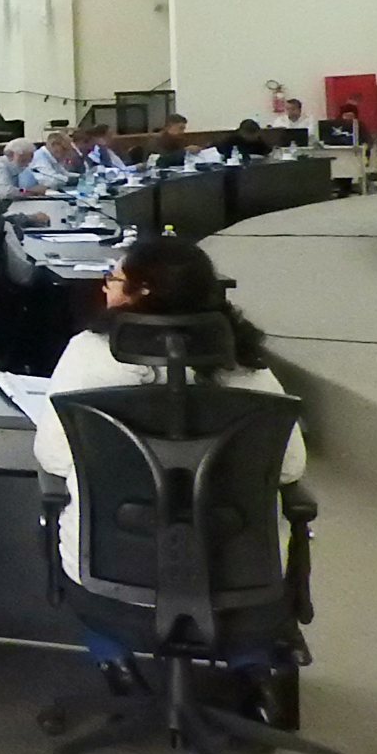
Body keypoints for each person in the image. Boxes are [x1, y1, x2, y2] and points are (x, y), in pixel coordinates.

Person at [37, 237, 301, 670]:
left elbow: (53, 457)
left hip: (111, 583)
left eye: (113, 278)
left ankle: (115, 662)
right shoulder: (246, 364)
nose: (104, 286)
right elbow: (290, 469)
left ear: (142, 291)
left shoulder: (86, 354)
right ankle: (251, 672)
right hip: (243, 584)